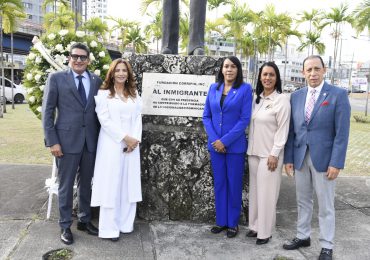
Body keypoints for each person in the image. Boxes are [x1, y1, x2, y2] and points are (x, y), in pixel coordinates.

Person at [283, 55, 351, 260]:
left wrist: (336, 162)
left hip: (325, 159)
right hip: (300, 156)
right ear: (303, 73)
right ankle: (303, 236)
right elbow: (292, 131)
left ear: (324, 70)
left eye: (316, 69)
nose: (313, 74)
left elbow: (342, 133)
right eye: (309, 70)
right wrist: (288, 159)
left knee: (325, 204)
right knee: (303, 200)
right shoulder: (295, 96)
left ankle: (327, 245)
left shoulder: (338, 95)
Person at [42, 42, 102, 245]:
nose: (78, 60)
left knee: (86, 184)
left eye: (83, 57)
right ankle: (65, 225)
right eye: (75, 56)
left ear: (88, 60)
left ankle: (84, 220)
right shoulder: (57, 78)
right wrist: (52, 142)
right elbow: (48, 112)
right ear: (68, 58)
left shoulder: (96, 80)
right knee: (66, 186)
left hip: (90, 143)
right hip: (65, 143)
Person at [91, 59, 142, 242]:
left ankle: (125, 224)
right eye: (118, 70)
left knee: (128, 184)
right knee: (111, 185)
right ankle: (109, 228)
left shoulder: (134, 94)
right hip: (111, 145)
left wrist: (134, 140)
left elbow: (138, 118)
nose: (121, 73)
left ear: (128, 74)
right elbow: (104, 120)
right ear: (112, 73)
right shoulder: (104, 94)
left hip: (131, 147)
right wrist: (124, 137)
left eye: (124, 71)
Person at [203, 56, 253, 238]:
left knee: (234, 184)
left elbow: (244, 120)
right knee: (220, 184)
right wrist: (216, 140)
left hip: (234, 147)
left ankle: (232, 223)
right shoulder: (213, 88)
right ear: (221, 69)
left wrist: (225, 141)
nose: (229, 69)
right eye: (226, 66)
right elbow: (206, 117)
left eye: (233, 66)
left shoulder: (245, 90)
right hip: (215, 147)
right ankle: (221, 221)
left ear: (238, 70)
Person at [246, 62, 291, 245]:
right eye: (264, 74)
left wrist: (275, 153)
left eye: (271, 75)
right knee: (256, 192)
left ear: (277, 78)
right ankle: (255, 226)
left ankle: (265, 232)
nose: (267, 78)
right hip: (254, 153)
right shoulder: (256, 99)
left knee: (267, 194)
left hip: (269, 156)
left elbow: (283, 129)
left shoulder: (281, 100)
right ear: (260, 77)